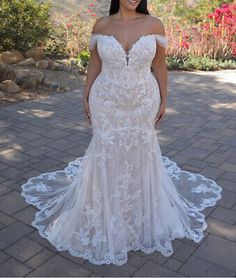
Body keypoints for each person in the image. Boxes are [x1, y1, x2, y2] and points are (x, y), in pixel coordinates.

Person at [21, 0, 223, 266]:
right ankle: (105, 212)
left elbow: (160, 66)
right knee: (106, 150)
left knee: (141, 150)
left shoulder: (154, 24)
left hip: (142, 100)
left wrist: (164, 100)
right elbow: (94, 63)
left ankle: (137, 215)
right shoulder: (101, 25)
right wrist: (85, 95)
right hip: (106, 100)